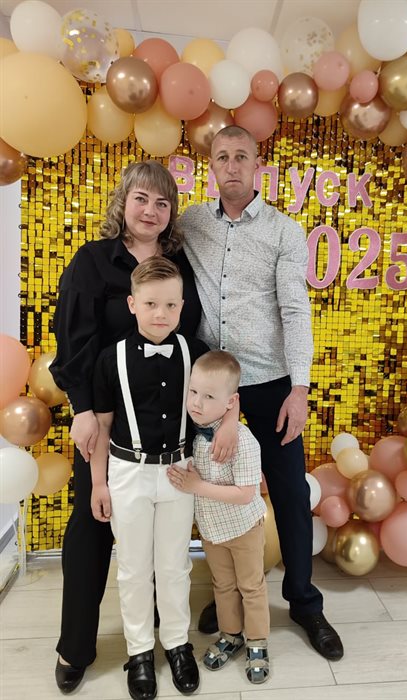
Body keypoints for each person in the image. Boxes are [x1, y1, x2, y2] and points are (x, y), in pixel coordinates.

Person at [49, 160, 235, 693]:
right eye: (141, 199)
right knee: (92, 527)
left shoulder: (179, 265)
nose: (150, 211)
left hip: (171, 431)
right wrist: (83, 409)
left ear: (171, 212)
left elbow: (197, 339)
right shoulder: (92, 261)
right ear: (123, 202)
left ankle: (166, 640)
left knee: (166, 549)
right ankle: (76, 647)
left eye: (162, 202)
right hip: (104, 418)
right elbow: (73, 340)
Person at [178, 125, 344, 661]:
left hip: (270, 382)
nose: (231, 165)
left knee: (290, 492)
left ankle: (304, 601)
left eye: (241, 156)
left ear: (257, 165)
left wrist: (300, 389)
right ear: (211, 165)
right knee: (213, 488)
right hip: (211, 388)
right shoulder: (191, 223)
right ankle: (227, 595)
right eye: (222, 156)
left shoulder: (284, 231)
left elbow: (296, 310)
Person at [90, 257, 207, 699]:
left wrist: (231, 422)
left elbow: (219, 401)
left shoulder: (196, 353)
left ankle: (177, 643)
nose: (161, 314)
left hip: (180, 472)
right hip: (128, 472)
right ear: (132, 304)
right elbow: (102, 426)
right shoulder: (110, 359)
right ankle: (139, 651)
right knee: (134, 568)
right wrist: (98, 483)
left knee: (175, 565)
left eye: (171, 305)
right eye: (152, 304)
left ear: (182, 306)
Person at [169, 350, 270, 685]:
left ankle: (258, 642)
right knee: (222, 585)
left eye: (209, 396)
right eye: (193, 392)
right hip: (212, 530)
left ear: (231, 402)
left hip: (243, 528)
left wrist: (197, 486)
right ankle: (231, 634)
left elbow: (245, 494)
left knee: (251, 586)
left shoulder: (243, 441)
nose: (197, 403)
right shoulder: (192, 434)